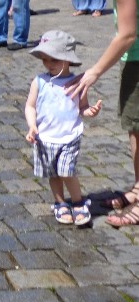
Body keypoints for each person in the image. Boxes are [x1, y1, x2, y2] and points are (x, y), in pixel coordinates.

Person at [65, 0, 139, 226]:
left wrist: (93, 72)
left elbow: (127, 35)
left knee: (138, 129)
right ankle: (138, 189)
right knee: (135, 129)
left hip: (137, 60)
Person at [23, 30, 102, 226]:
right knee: (53, 173)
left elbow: (82, 107)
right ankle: (60, 202)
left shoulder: (77, 83)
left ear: (67, 60)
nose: (49, 64)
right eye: (45, 60)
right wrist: (32, 126)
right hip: (45, 137)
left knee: (67, 171)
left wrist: (88, 111)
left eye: (54, 60)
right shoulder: (39, 81)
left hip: (69, 136)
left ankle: (78, 202)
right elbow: (30, 106)